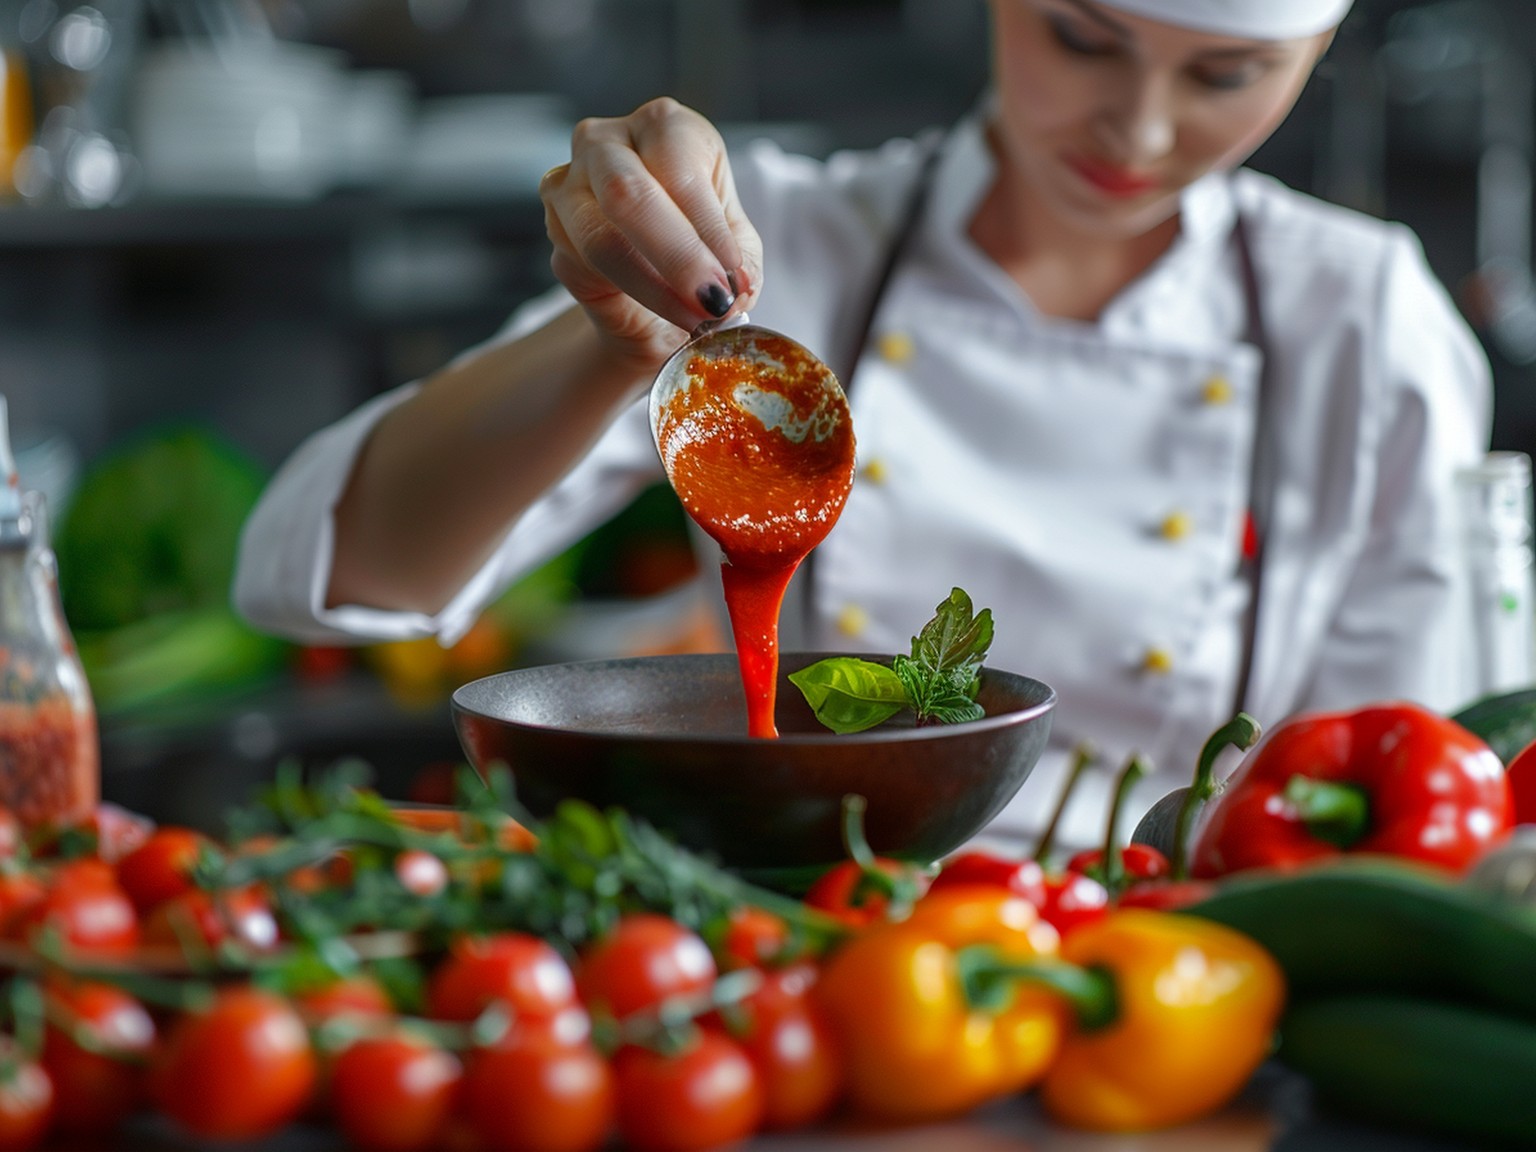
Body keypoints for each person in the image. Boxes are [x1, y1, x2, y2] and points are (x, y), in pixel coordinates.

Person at [234, 0, 1493, 848]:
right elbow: (330, 574)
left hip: (1173, 995)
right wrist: (608, 339)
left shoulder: (1363, 320)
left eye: (1225, 74)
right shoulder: (791, 244)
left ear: (1317, 52)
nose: (1140, 129)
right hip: (827, 947)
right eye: (1081, 38)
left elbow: (1388, 807)